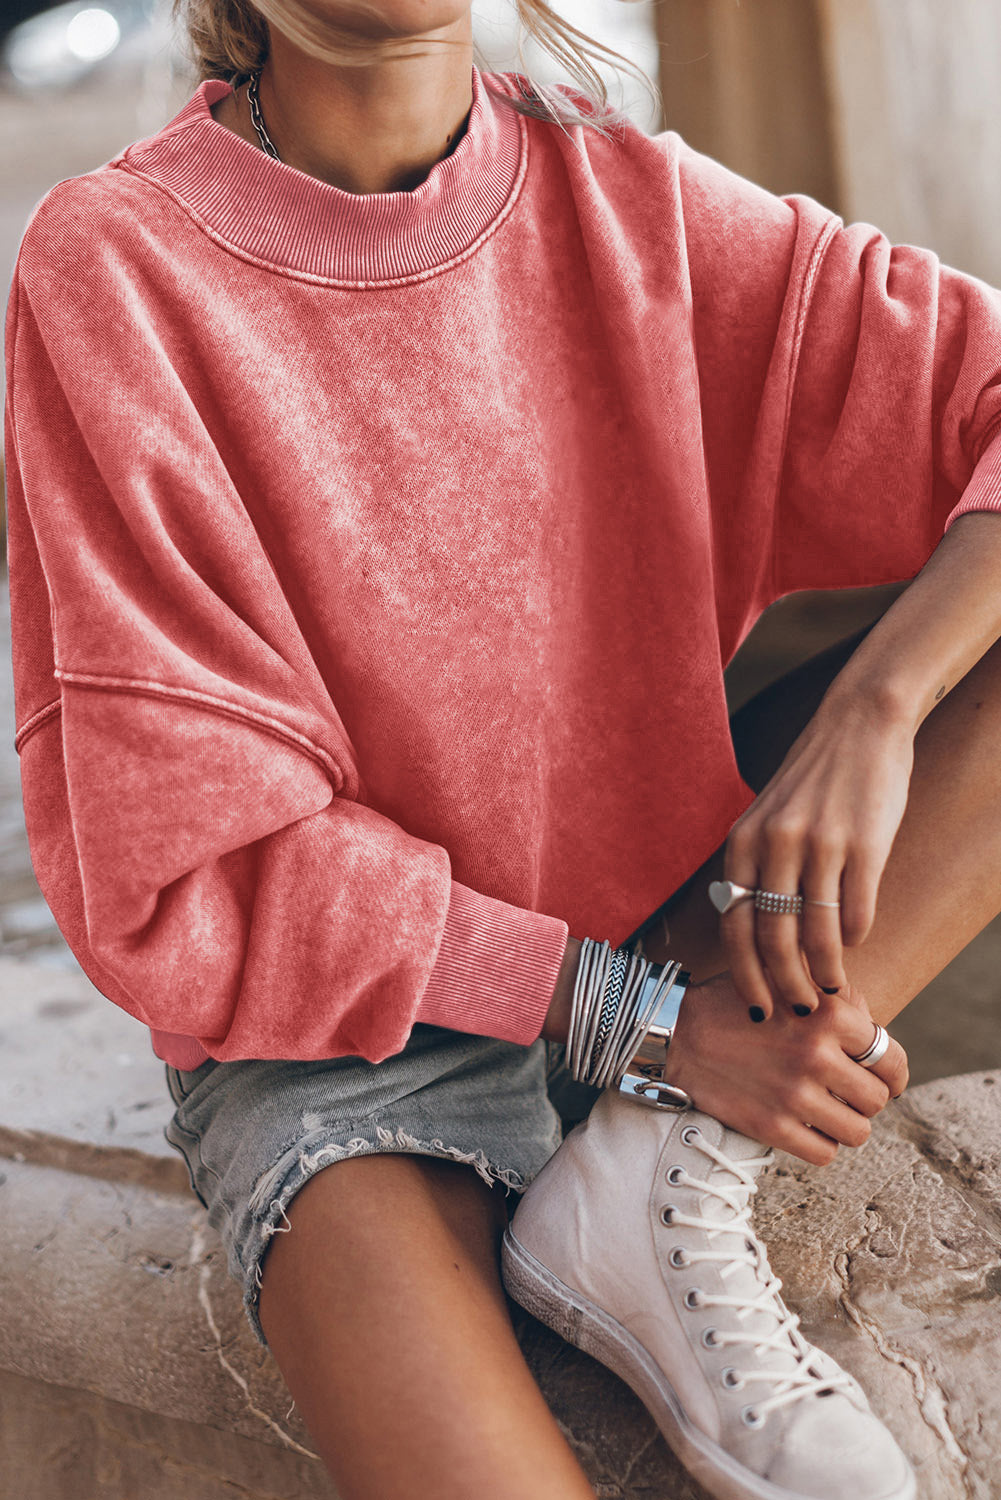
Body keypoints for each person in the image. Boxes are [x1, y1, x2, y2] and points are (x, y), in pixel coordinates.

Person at [5, 0, 1001, 1494]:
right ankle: (644, 1127)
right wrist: (641, 1025)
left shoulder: (624, 196)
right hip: (345, 1058)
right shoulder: (114, 266)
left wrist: (877, 704)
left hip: (679, 935)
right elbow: (194, 868)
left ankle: (659, 1169)